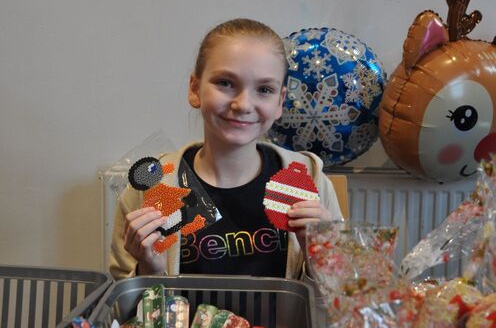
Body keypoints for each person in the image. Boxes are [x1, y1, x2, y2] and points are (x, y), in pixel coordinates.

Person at [110, 18, 342, 280]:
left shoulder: (307, 182)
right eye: (225, 83)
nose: (243, 104)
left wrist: (319, 253)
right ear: (195, 89)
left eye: (264, 89)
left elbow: (339, 301)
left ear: (280, 101)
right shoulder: (153, 187)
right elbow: (121, 307)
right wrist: (148, 271)